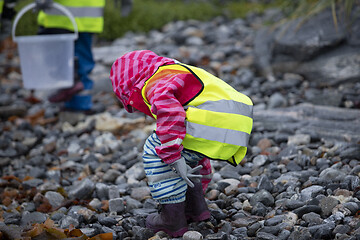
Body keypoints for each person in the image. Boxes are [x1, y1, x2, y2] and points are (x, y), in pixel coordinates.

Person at [109, 50, 253, 237]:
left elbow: (171, 113)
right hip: (234, 121)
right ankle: (196, 208)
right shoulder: (175, 71)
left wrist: (172, 155)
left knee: (157, 148)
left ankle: (172, 219)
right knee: (184, 148)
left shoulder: (153, 82)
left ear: (131, 86)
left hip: (212, 121)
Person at [35, 0, 105, 111]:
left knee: (59, 58)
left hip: (58, 15)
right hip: (89, 14)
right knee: (83, 60)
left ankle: (71, 96)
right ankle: (80, 105)